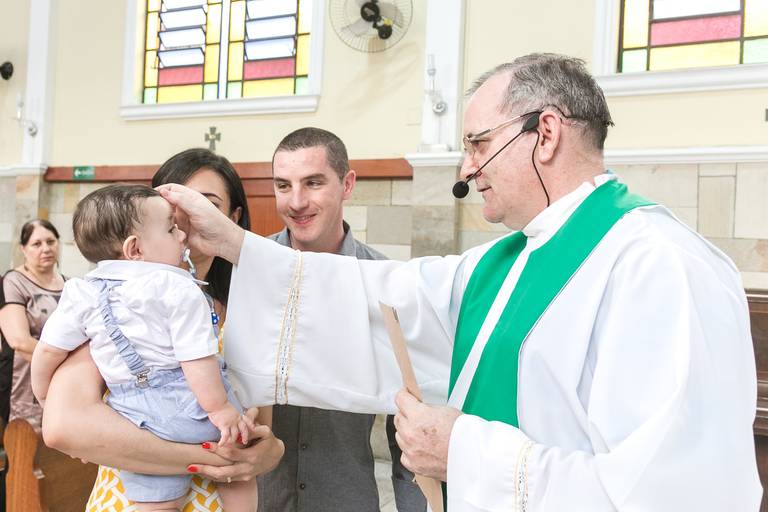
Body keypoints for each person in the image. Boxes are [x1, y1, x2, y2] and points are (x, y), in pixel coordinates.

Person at [159, 53, 762, 511]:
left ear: (545, 134)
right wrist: (233, 241)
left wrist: (465, 453)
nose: (468, 168)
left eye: (478, 144)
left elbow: (680, 490)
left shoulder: (659, 265)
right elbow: (384, 295)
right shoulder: (508, 260)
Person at [39, 149, 284, 512]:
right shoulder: (121, 310)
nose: (185, 219)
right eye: (174, 205)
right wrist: (204, 457)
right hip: (131, 498)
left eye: (206, 204)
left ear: (233, 219)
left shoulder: (248, 313)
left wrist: (268, 452)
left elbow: (259, 422)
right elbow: (63, 426)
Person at [257, 127, 426, 512]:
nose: (296, 201)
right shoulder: (249, 271)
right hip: (256, 499)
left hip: (345, 498)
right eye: (283, 186)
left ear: (347, 184)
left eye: (313, 183)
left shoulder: (387, 282)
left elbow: (409, 430)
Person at [0, 219, 65, 425]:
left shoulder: (71, 284)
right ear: (24, 249)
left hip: (60, 381)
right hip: (21, 379)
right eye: (37, 244)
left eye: (51, 241)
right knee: (23, 445)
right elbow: (19, 341)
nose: (45, 248)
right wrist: (64, 364)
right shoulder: (12, 281)